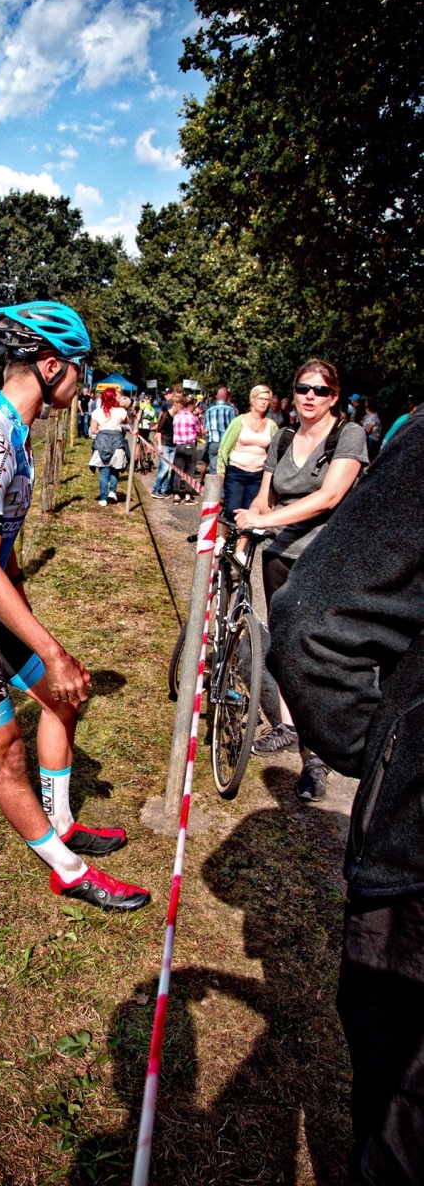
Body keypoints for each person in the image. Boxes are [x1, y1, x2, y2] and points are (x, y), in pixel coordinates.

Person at [0, 301, 149, 912]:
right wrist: (49, 647)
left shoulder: (17, 430)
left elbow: (2, 557)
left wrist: (38, 637)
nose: (83, 382)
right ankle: (67, 869)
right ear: (49, 366)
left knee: (64, 698)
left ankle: (61, 822)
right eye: (78, 370)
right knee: (7, 745)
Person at [267, 409, 424, 1186]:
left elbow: (312, 619)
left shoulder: (372, 441)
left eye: (313, 387)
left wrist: (380, 751)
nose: (301, 397)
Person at [234, 358, 368, 798]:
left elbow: (329, 497)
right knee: (284, 648)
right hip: (278, 555)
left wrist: (265, 520)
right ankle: (290, 727)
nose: (310, 396)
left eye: (320, 390)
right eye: (302, 388)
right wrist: (248, 527)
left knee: (315, 657)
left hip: (325, 561)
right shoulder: (284, 435)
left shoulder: (347, 436)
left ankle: (318, 758)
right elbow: (264, 495)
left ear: (334, 396)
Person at [217, 385, 277, 526]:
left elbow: (275, 452)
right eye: (260, 398)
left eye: (266, 399)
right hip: (236, 472)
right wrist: (220, 475)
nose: (263, 402)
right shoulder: (239, 421)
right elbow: (224, 449)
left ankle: (240, 546)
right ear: (253, 400)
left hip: (257, 475)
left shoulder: (272, 426)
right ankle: (225, 539)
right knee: (232, 510)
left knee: (249, 511)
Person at [89, 387, 131, 506]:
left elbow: (93, 430)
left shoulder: (96, 412)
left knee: (104, 471)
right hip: (117, 441)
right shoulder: (121, 412)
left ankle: (103, 498)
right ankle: (112, 491)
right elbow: (126, 422)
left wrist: (103, 431)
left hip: (102, 442)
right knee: (114, 469)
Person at [171, 395, 202, 504]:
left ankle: (176, 495)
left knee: (178, 471)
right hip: (190, 444)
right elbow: (199, 431)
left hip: (179, 446)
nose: (195, 407)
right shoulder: (193, 417)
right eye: (194, 405)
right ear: (190, 404)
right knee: (190, 471)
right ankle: (188, 496)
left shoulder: (176, 416)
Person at [201, 386, 236, 475]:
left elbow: (206, 428)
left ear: (217, 397)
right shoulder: (230, 410)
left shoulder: (209, 410)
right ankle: (222, 488)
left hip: (213, 442)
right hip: (226, 443)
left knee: (213, 468)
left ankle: (214, 488)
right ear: (227, 397)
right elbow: (233, 428)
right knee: (225, 468)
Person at [151, 389, 177, 498]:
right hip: (165, 444)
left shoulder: (178, 417)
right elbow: (159, 430)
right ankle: (156, 489)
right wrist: (160, 445)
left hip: (174, 444)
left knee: (170, 469)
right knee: (164, 468)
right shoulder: (166, 416)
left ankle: (164, 489)